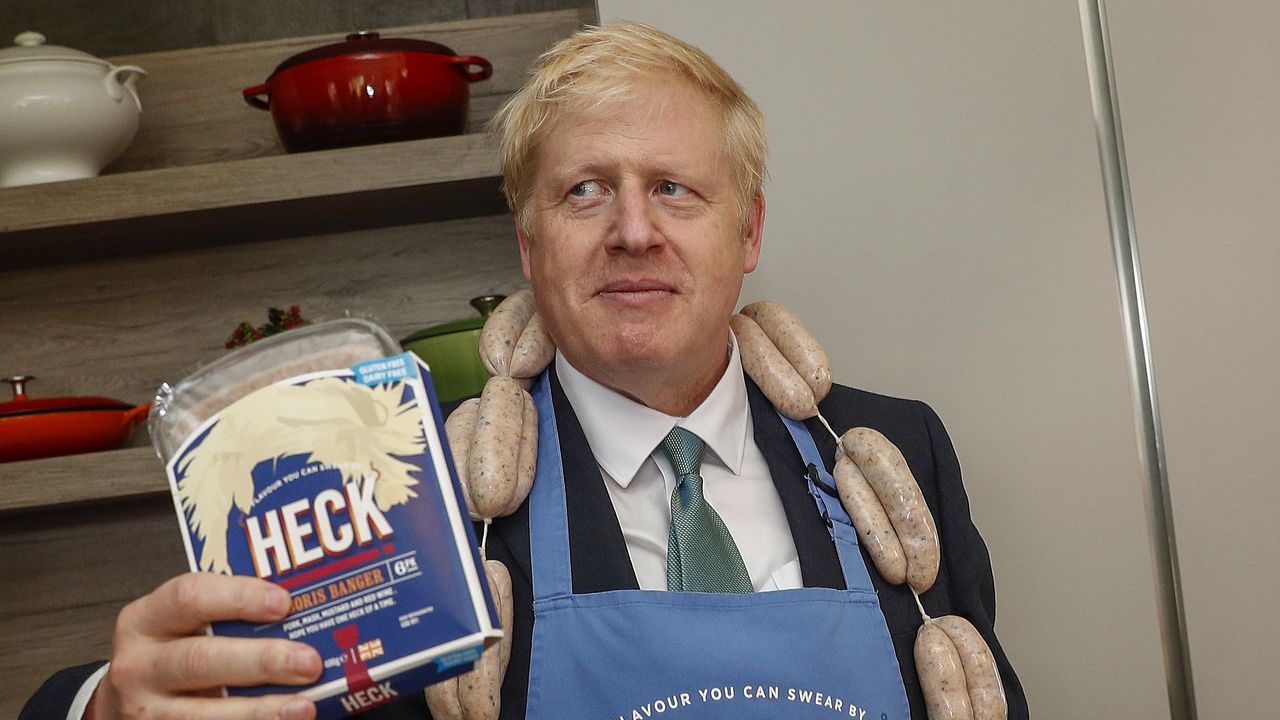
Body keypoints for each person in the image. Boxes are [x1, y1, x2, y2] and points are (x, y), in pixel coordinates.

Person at [23, 20, 1028, 720]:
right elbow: (253, 689)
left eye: (674, 189)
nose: (633, 231)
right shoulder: (406, 482)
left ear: (749, 229)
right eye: (585, 190)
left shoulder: (894, 451)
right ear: (526, 241)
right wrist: (108, 706)